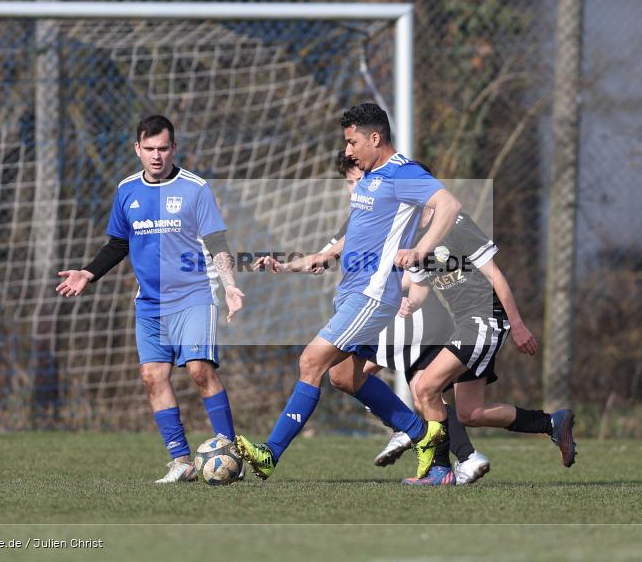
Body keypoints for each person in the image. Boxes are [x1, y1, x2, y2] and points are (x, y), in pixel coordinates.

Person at [234, 102, 462, 482]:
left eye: (352, 141)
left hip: (373, 295)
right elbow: (341, 245)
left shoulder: (402, 173)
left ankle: (270, 453)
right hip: (353, 293)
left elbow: (449, 205)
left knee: (310, 362)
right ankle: (423, 437)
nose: (348, 151)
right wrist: (290, 263)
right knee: (344, 377)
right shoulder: (369, 180)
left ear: (375, 138)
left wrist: (421, 250)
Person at [260, 152, 489, 485]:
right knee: (346, 376)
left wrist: (413, 283)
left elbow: (424, 266)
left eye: (357, 182)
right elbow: (324, 257)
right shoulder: (361, 214)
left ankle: (450, 450)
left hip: (396, 310)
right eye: (351, 184)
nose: (354, 190)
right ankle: (427, 447)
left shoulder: (399, 207)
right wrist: (284, 266)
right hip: (378, 306)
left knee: (418, 387)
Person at [55, 115, 245, 484]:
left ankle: (228, 451)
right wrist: (88, 273)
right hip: (150, 303)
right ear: (137, 150)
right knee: (151, 376)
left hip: (194, 296)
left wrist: (230, 285)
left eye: (163, 149)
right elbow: (119, 244)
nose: (156, 156)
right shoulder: (127, 191)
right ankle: (181, 461)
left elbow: (217, 242)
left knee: (199, 371)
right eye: (149, 149)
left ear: (174, 148)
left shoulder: (195, 188)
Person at [398, 206, 577, 485]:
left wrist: (517, 325)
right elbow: (421, 284)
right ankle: (552, 423)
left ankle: (440, 470)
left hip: (484, 319)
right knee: (470, 412)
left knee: (424, 386)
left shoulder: (455, 225)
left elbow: (496, 277)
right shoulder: (414, 237)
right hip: (466, 324)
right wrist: (411, 302)